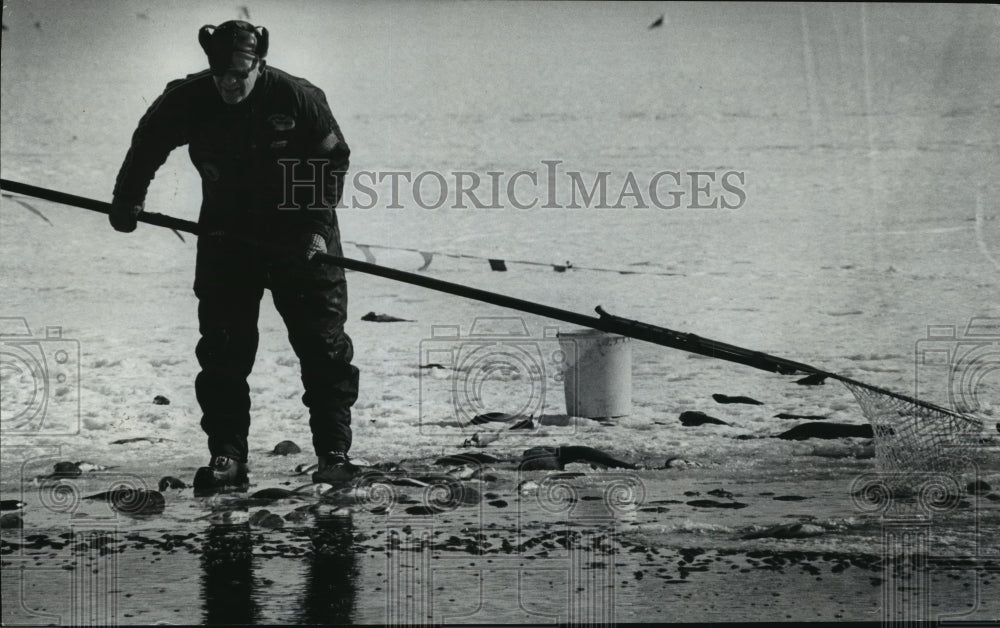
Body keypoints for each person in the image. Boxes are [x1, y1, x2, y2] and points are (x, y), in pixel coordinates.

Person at [109, 20, 360, 490]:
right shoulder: (190, 97)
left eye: (239, 74)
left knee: (323, 349)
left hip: (300, 239)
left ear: (258, 64)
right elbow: (149, 141)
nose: (228, 83)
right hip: (227, 239)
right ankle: (228, 456)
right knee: (224, 351)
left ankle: (333, 453)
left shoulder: (298, 98)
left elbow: (332, 163)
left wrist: (313, 232)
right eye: (220, 72)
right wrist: (127, 199)